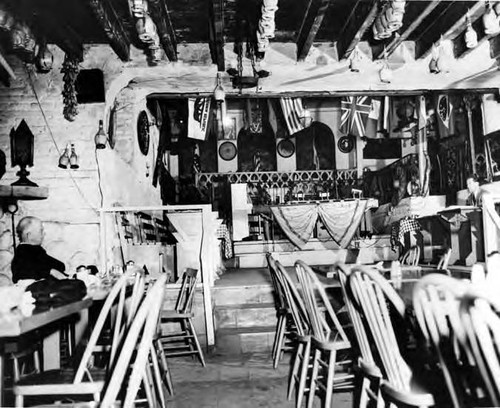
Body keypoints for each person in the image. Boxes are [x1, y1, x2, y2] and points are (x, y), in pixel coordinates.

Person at [11, 216, 67, 283]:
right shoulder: (22, 253)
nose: (44, 233)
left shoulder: (36, 250)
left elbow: (58, 265)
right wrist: (50, 271)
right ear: (29, 235)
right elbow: (25, 272)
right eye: (41, 230)